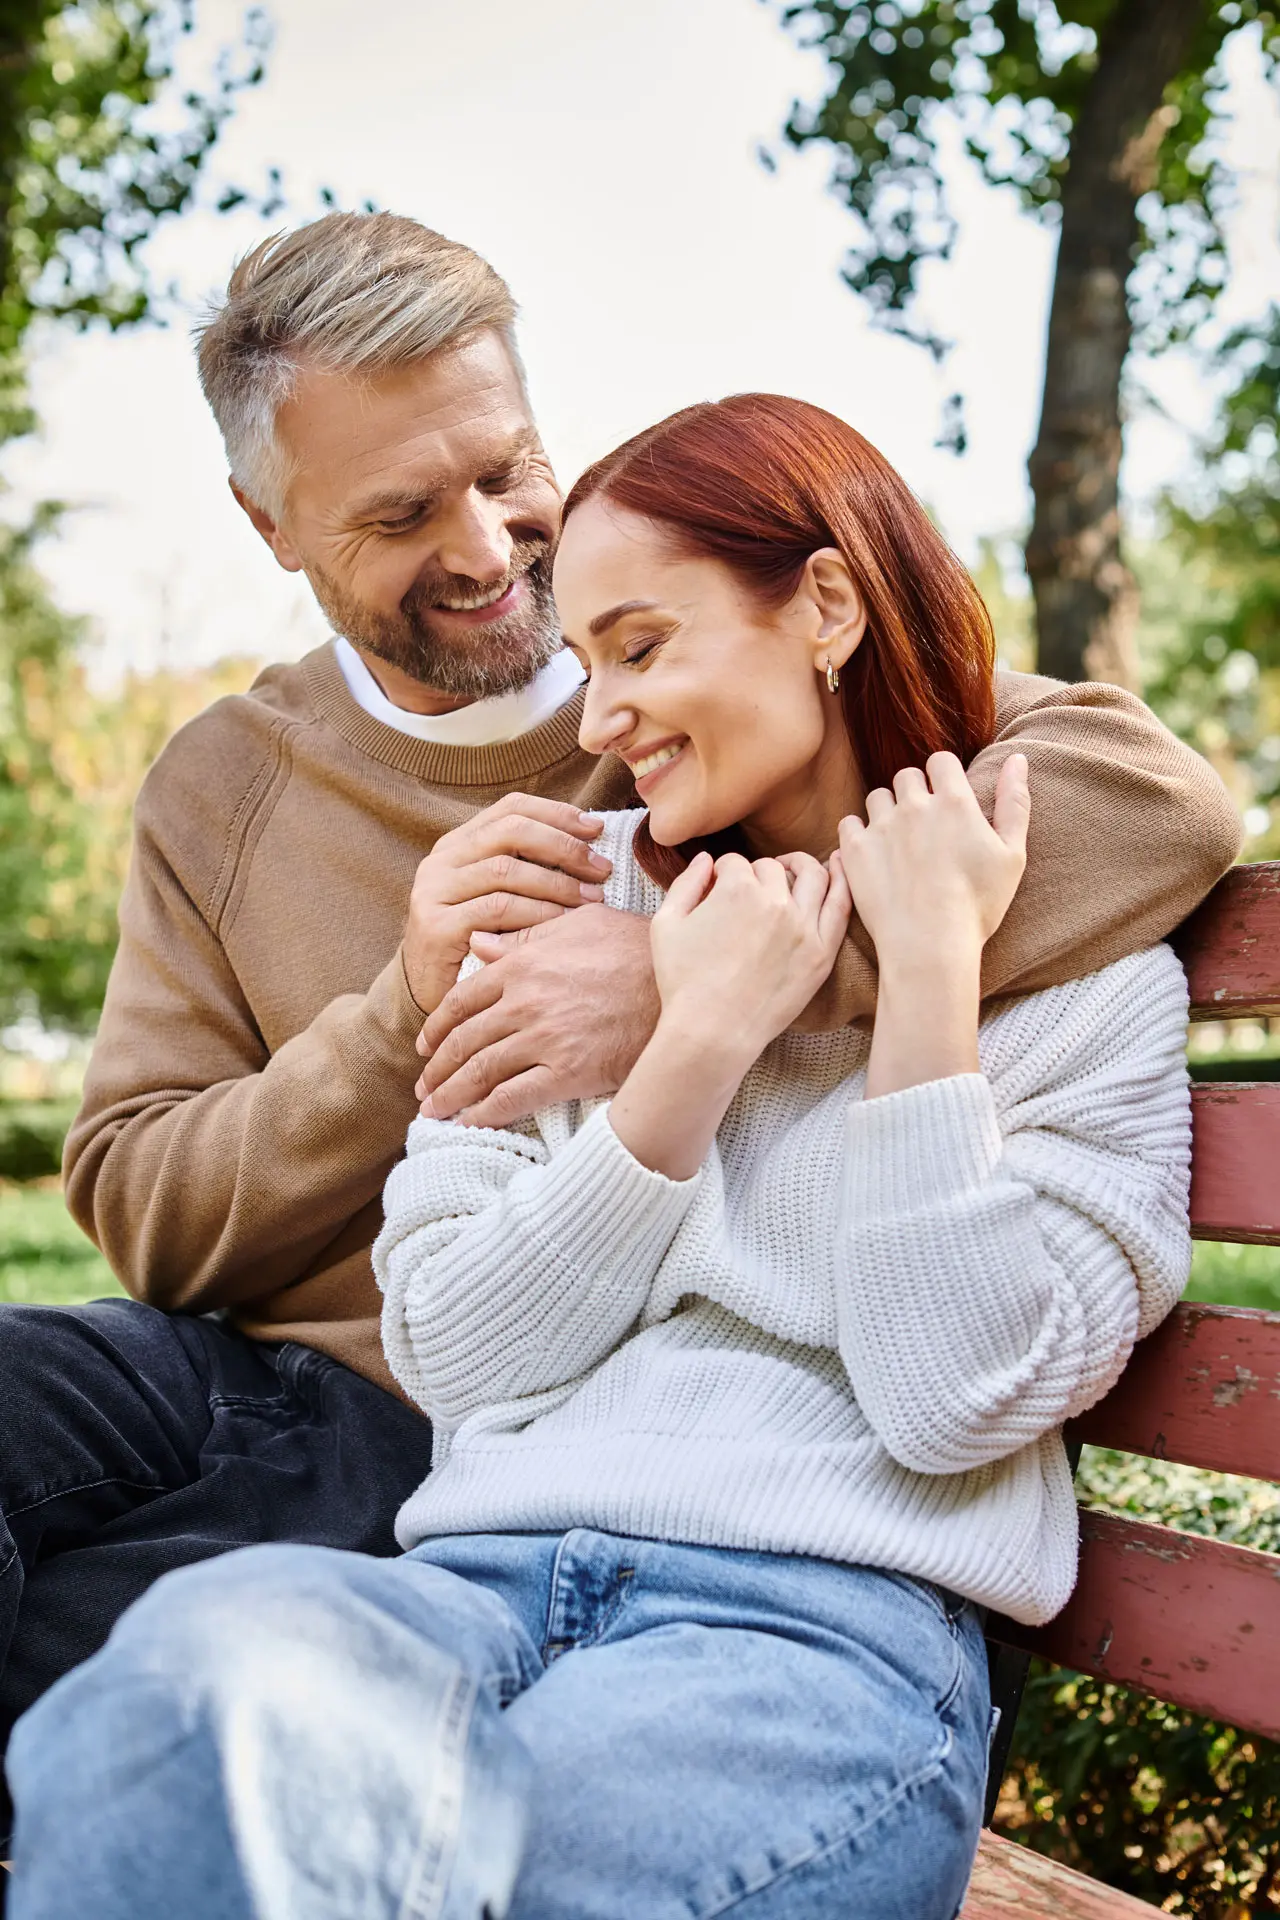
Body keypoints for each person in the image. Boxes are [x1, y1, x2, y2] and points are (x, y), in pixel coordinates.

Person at [0, 210, 1237, 1845]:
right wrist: (410, 1014)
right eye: (396, 511)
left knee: (154, 1715)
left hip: (527, 1467)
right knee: (146, 1683)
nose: (487, 546)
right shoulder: (222, 787)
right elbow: (149, 1208)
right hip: (369, 1393)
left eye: (505, 467)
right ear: (270, 524)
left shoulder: (723, 681)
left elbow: (1140, 801)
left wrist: (694, 975)